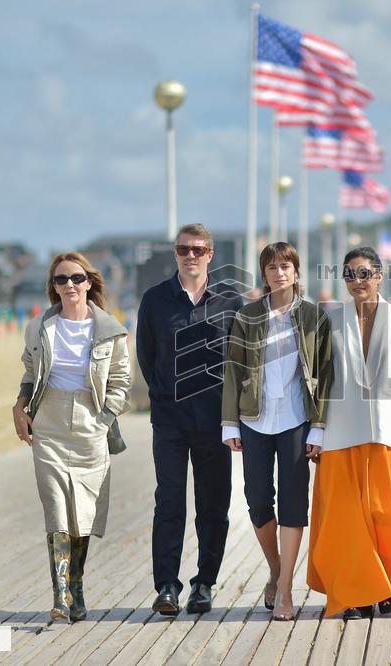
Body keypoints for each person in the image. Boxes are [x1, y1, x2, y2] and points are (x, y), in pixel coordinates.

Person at [12, 252, 130, 622]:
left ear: (90, 282)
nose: (70, 286)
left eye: (76, 278)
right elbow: (30, 370)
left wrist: (104, 417)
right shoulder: (39, 327)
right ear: (53, 287)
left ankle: (76, 585)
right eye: (61, 280)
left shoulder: (110, 329)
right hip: (48, 421)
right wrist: (20, 405)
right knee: (56, 508)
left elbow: (121, 381)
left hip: (91, 424)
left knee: (83, 513)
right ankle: (60, 595)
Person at [136, 224, 243, 616]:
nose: (191, 255)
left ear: (211, 254)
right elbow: (146, 356)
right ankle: (166, 585)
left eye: (198, 249)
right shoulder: (155, 300)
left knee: (214, 504)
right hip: (170, 419)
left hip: (216, 420)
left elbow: (240, 362)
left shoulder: (231, 301)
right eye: (184, 249)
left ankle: (204, 583)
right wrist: (165, 394)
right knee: (169, 502)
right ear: (175, 254)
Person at [222, 242, 332, 621]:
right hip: (254, 419)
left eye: (286, 266)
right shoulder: (247, 315)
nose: (279, 272)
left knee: (293, 503)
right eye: (271, 267)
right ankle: (275, 565)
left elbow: (325, 374)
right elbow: (233, 370)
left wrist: (318, 427)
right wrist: (229, 422)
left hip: (297, 421)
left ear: (297, 272)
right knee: (256, 500)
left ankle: (284, 588)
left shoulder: (315, 317)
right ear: (264, 274)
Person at [307, 247, 391, 621]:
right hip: (340, 429)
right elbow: (319, 380)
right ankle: (352, 593)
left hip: (387, 430)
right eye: (350, 275)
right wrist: (316, 429)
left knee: (384, 511)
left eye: (365, 273)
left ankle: (388, 588)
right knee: (345, 516)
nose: (358, 281)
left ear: (380, 275)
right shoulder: (329, 319)